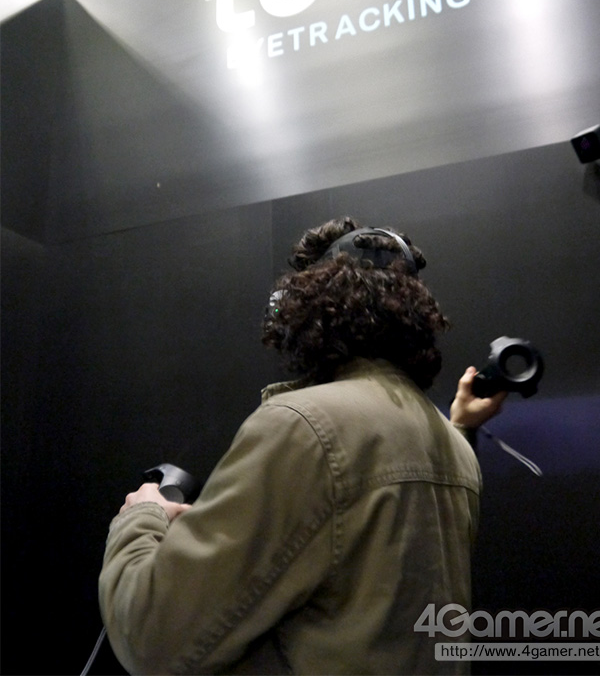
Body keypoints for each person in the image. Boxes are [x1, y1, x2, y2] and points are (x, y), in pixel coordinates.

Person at [99, 217, 506, 675]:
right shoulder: (454, 447)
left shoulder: (304, 426)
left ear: (312, 305)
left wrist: (142, 516)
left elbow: (154, 639)